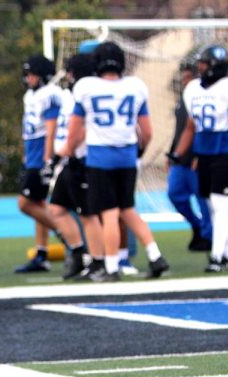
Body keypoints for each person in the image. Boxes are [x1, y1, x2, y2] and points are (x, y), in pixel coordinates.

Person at [60, 41, 169, 282]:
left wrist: (64, 152)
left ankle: (110, 268)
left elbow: (75, 130)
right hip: (128, 155)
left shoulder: (86, 87)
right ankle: (155, 255)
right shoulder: (134, 86)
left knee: (109, 214)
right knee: (128, 210)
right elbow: (147, 132)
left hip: (101, 157)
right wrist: (137, 152)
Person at [170, 44, 228, 272]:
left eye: (204, 63)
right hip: (202, 152)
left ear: (214, 67)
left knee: (220, 205)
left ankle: (216, 257)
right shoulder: (193, 89)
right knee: (213, 207)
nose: (200, 67)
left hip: (224, 151)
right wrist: (177, 154)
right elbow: (190, 127)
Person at [49, 51, 100, 280]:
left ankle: (99, 262)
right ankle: (79, 253)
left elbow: (83, 127)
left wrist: (65, 150)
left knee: (88, 214)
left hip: (82, 158)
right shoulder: (69, 94)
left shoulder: (86, 92)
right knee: (57, 209)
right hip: (69, 158)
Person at [15, 54, 62, 273]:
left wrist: (47, 160)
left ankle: (69, 236)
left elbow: (51, 129)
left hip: (41, 155)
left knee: (25, 204)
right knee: (39, 204)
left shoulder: (50, 94)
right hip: (32, 153)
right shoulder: (30, 96)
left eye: (32, 74)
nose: (28, 78)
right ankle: (41, 253)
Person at [168, 53, 212, 252]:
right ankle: (197, 224)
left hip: (197, 159)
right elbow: (180, 131)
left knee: (204, 199)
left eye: (188, 79)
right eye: (183, 79)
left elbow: (200, 129)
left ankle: (209, 236)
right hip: (181, 160)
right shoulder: (182, 101)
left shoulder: (202, 98)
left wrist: (198, 155)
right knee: (175, 194)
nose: (185, 83)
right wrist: (172, 153)